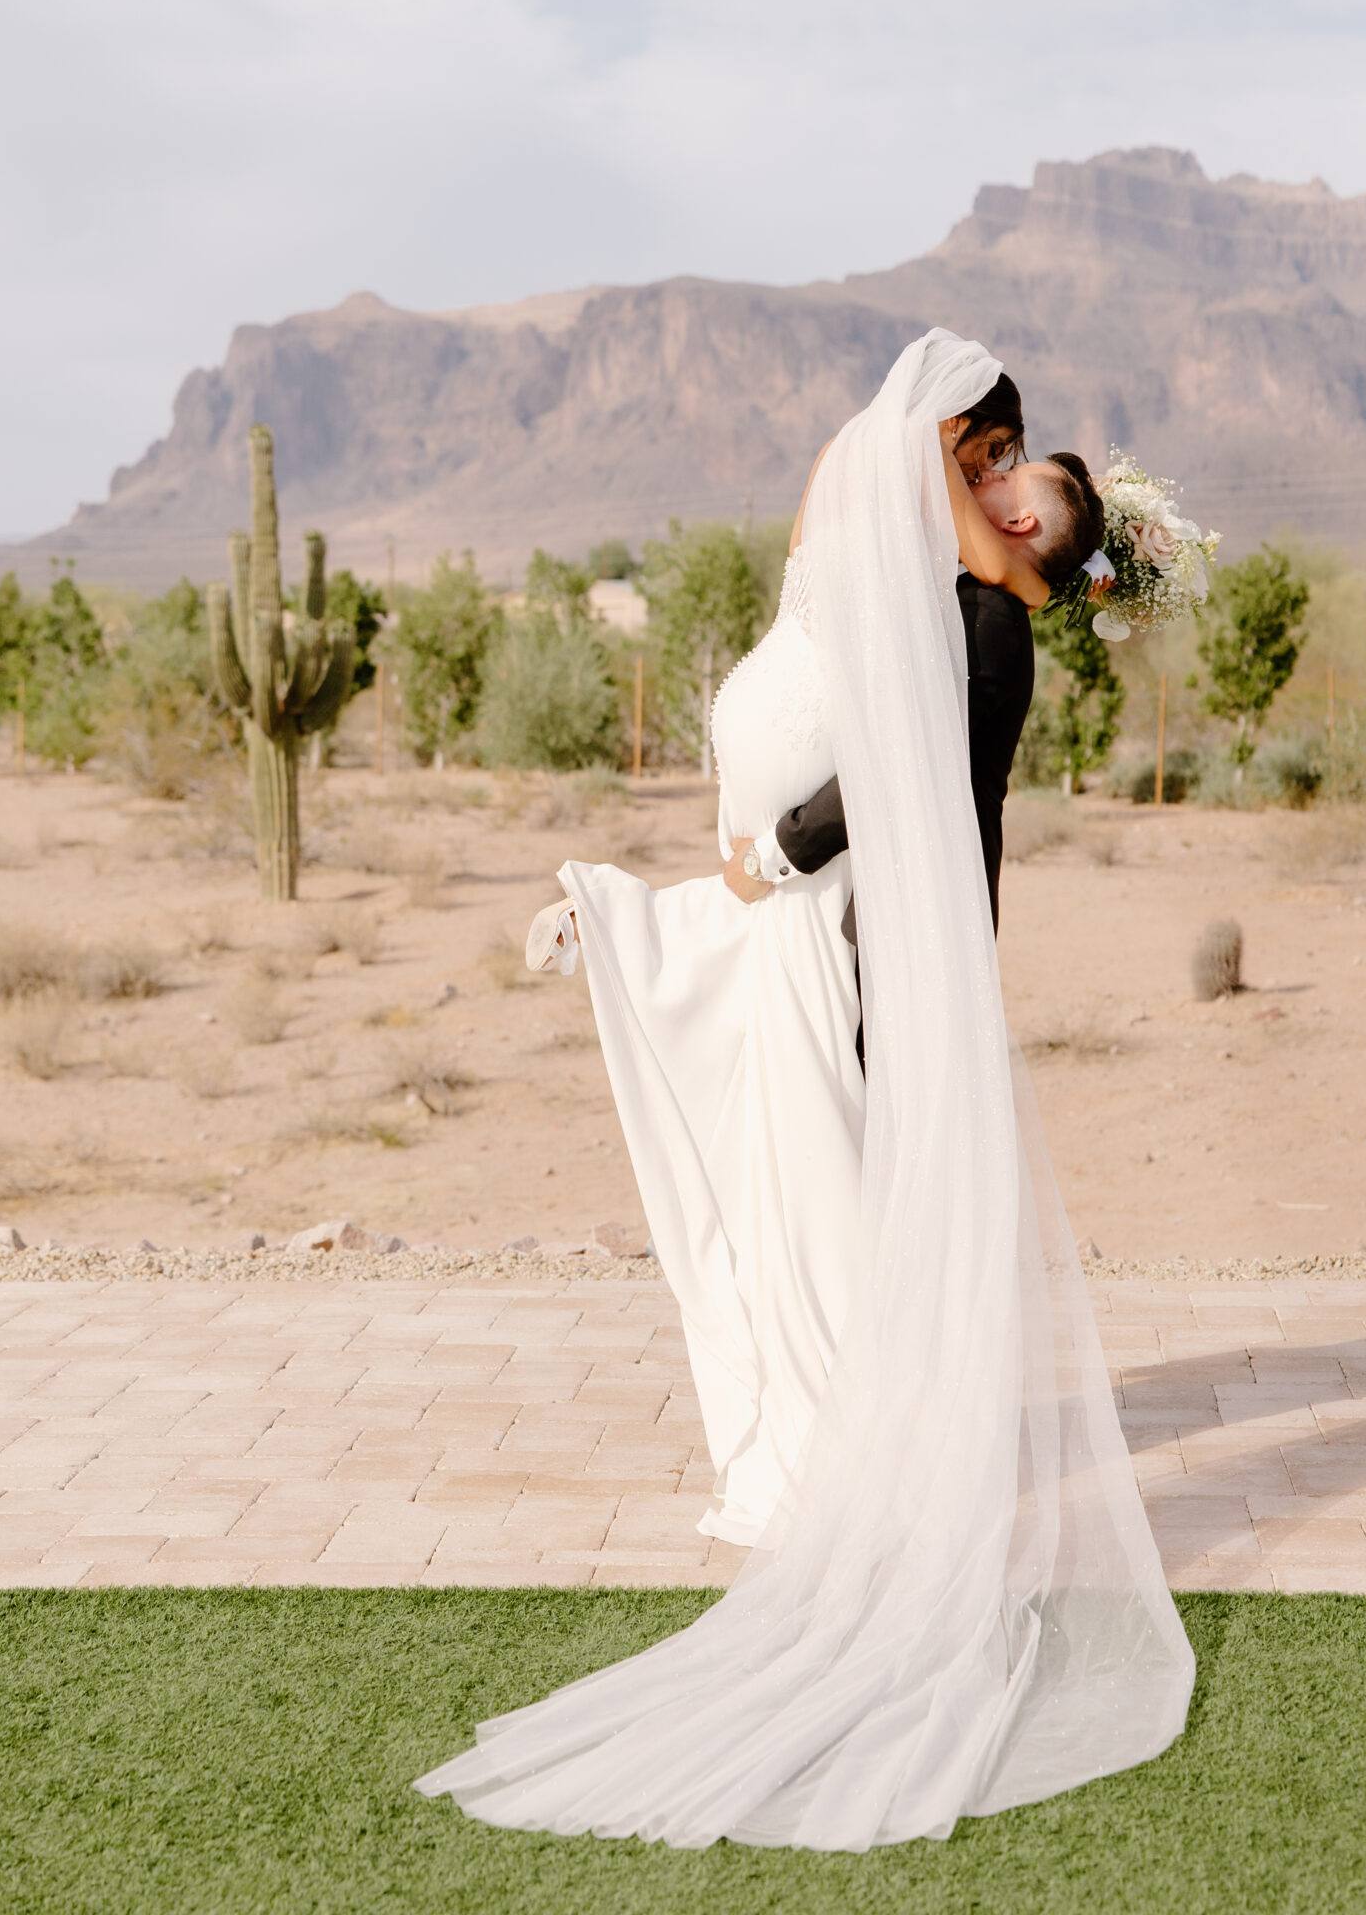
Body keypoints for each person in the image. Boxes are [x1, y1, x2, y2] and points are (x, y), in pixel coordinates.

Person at [418, 330, 1192, 1852]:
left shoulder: (985, 623)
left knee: (865, 1190)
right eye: (989, 471)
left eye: (1013, 489)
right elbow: (871, 475)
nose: (988, 490)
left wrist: (1007, 519)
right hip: (842, 924)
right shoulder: (939, 583)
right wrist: (982, 472)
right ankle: (857, 1439)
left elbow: (896, 783)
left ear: (1035, 534)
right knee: (831, 1178)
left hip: (888, 943)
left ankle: (874, 1465)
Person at [734, 452, 1106, 942]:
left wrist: (771, 857)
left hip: (918, 922)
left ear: (1021, 521)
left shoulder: (990, 620)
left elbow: (899, 756)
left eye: (1010, 476)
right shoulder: (973, 597)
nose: (991, 471)